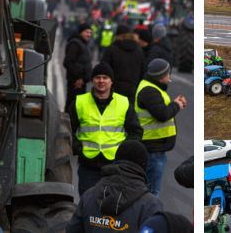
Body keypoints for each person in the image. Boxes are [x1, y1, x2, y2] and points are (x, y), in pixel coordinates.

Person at [69, 62, 142, 196]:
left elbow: (136, 132)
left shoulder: (123, 103)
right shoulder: (79, 103)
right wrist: (78, 148)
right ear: (92, 80)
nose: (101, 81)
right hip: (88, 165)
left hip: (115, 166)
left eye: (105, 77)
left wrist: (124, 152)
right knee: (88, 204)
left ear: (111, 81)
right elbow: (68, 130)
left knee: (112, 207)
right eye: (97, 77)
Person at [67, 140, 164, 233]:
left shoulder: (89, 195)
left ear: (116, 160)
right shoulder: (150, 204)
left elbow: (72, 229)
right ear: (143, 167)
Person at [135, 58, 186, 195]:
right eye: (168, 73)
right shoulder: (150, 91)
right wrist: (177, 105)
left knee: (149, 190)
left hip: (155, 147)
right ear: (161, 76)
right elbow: (162, 114)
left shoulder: (151, 88)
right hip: (153, 148)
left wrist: (174, 103)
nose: (170, 76)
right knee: (152, 192)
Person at [102, 24, 145, 101]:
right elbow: (143, 71)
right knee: (129, 111)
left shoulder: (112, 49)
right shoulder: (139, 50)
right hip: (132, 89)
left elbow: (104, 69)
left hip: (114, 89)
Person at [64, 24, 94, 109]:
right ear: (81, 32)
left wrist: (84, 79)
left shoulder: (84, 44)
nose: (89, 34)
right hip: (76, 82)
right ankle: (68, 121)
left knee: (78, 105)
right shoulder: (75, 44)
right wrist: (78, 78)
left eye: (90, 33)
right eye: (87, 32)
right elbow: (68, 62)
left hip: (82, 82)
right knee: (72, 104)